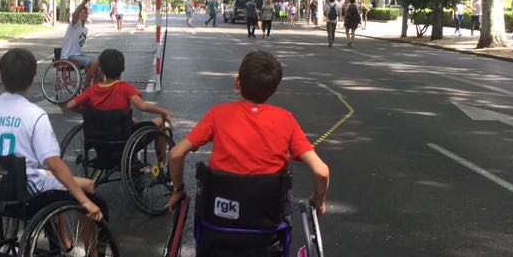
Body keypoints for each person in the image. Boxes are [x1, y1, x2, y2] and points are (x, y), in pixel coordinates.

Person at [0, 48, 103, 257]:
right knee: (86, 186)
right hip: (20, 188)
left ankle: (65, 244)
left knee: (51, 179)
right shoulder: (35, 115)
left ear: (2, 76)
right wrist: (84, 201)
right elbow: (53, 162)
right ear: (33, 79)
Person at [166, 50, 329, 217]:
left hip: (219, 217)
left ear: (237, 82)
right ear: (274, 89)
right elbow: (321, 171)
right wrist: (319, 200)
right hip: (267, 219)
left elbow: (175, 154)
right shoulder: (286, 119)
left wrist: (178, 190)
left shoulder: (217, 114)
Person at [66, 48, 172, 161]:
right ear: (123, 68)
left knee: (132, 121)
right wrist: (163, 112)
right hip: (124, 143)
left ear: (100, 69)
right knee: (161, 123)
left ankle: (133, 161)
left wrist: (88, 112)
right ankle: (161, 165)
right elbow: (142, 106)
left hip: (98, 142)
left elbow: (69, 105)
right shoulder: (125, 88)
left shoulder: (91, 91)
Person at [60, 0, 99, 85]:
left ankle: (96, 86)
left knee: (99, 62)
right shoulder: (75, 24)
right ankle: (86, 89)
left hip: (77, 55)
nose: (82, 14)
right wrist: (85, 1)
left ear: (87, 15)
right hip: (68, 56)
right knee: (94, 62)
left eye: (84, 12)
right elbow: (75, 13)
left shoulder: (85, 29)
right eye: (80, 12)